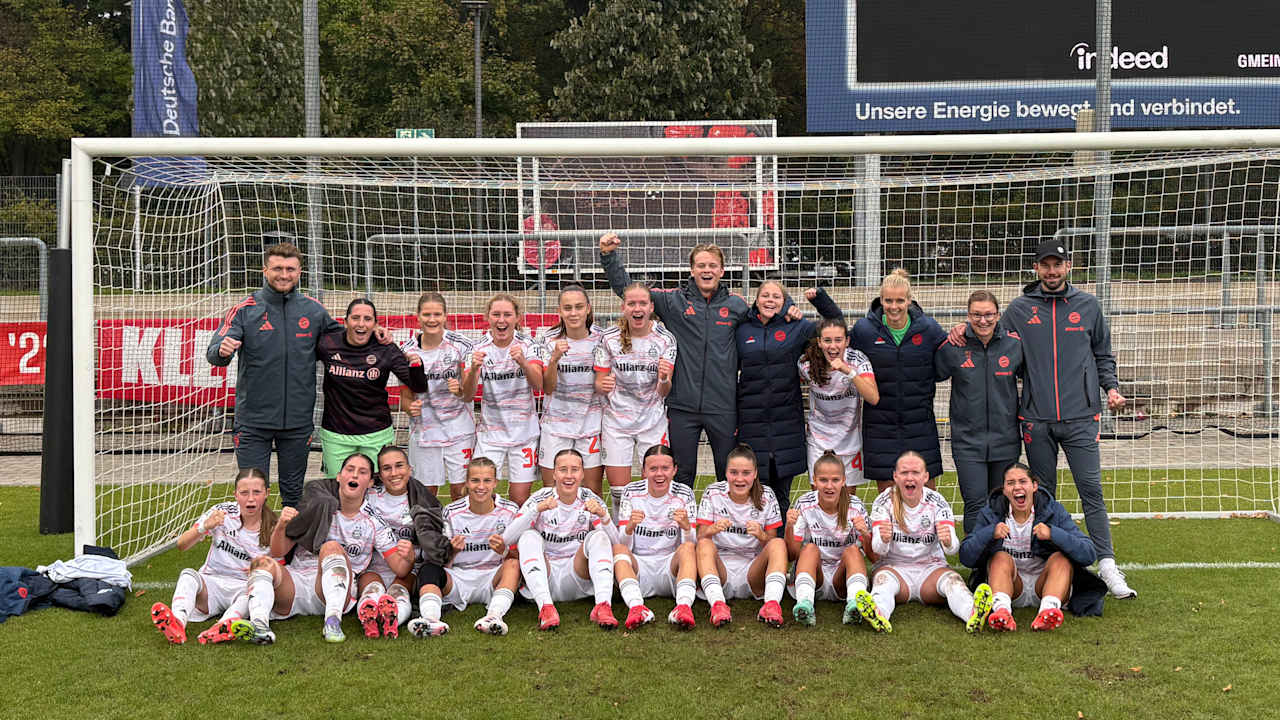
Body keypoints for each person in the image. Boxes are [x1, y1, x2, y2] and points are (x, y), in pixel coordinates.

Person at [951, 239, 1135, 598]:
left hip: (1082, 417)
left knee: (1091, 491)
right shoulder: (1019, 309)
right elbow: (989, 331)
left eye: (1058, 265)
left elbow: (1103, 355)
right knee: (1041, 498)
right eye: (1045, 265)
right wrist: (963, 328)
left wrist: (1110, 388)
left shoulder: (1089, 306)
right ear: (1036, 269)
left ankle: (1109, 566)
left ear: (1069, 267)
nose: (1052, 271)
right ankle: (1042, 570)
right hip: (1035, 421)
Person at [599, 232, 747, 487]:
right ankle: (683, 527)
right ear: (692, 270)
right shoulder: (673, 301)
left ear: (722, 270)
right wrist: (609, 256)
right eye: (701, 265)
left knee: (728, 475)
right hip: (682, 408)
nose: (707, 270)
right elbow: (631, 293)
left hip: (723, 406)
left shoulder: (737, 306)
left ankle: (725, 526)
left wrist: (788, 306)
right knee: (681, 476)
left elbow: (766, 317)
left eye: (712, 265)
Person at [206, 242, 341, 507]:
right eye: (277, 268)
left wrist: (377, 337)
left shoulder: (313, 310)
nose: (284, 274)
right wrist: (222, 351)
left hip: (298, 422)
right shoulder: (245, 309)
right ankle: (251, 548)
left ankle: (290, 549)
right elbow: (214, 353)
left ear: (299, 272)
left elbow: (347, 342)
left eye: (290, 269)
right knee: (253, 495)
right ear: (265, 270)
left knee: (293, 495)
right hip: (253, 422)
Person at [243, 453, 413, 644]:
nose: (355, 475)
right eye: (350, 470)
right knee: (261, 562)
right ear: (339, 477)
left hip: (331, 593)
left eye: (362, 472)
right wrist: (282, 525)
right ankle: (259, 625)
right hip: (295, 585)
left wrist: (409, 556)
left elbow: (400, 568)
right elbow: (277, 552)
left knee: (331, 547)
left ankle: (332, 621)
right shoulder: (317, 506)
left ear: (371, 482)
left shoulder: (374, 523)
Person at [736, 282, 845, 520]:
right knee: (755, 490)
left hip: (786, 419)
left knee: (781, 491)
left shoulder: (797, 327)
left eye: (776, 296)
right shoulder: (742, 329)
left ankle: (782, 546)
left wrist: (819, 299)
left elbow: (836, 324)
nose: (769, 300)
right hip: (751, 420)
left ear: (784, 301)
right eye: (765, 295)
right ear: (756, 299)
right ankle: (757, 545)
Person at [959, 462, 1107, 631]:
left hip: (1046, 585)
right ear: (1004, 490)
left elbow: (1088, 553)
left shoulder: (1052, 510)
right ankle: (1002, 612)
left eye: (1023, 481)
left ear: (1034, 486)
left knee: (1061, 559)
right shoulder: (991, 512)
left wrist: (1053, 534)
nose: (1017, 487)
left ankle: (1048, 611)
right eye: (1010, 483)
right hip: (1012, 585)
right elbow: (966, 556)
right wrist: (989, 533)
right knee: (1000, 557)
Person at [867, 451, 994, 633]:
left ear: (925, 476)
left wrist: (948, 541)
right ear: (895, 476)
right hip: (895, 568)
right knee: (883, 581)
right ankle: (878, 613)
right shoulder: (883, 501)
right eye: (904, 472)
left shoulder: (937, 501)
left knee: (953, 581)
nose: (910, 478)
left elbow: (952, 550)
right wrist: (884, 539)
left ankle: (973, 613)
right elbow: (877, 549)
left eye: (916, 472)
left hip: (930, 569)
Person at [149, 468, 277, 645]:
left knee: (250, 598)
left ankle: (223, 627)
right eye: (244, 493)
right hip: (211, 584)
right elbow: (182, 545)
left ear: (267, 494)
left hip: (243, 587)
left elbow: (277, 572)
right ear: (235, 495)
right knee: (188, 574)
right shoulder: (221, 512)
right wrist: (205, 527)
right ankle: (178, 622)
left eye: (257, 492)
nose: (250, 499)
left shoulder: (274, 527)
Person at [501, 449, 622, 631]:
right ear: (554, 473)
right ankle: (546, 608)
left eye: (575, 470)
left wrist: (603, 516)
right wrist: (536, 510)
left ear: (582, 474)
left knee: (599, 536)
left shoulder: (590, 499)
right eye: (563, 469)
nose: (569, 475)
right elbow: (507, 538)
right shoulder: (541, 497)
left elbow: (616, 543)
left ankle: (603, 606)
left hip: (578, 577)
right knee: (528, 536)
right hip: (544, 578)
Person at [935, 290, 1023, 533]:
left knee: (1000, 503)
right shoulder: (954, 345)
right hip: (968, 442)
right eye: (976, 315)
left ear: (998, 315)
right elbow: (930, 374)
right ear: (968, 316)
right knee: (974, 504)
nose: (983, 321)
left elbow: (1035, 379)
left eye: (988, 315)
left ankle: (999, 559)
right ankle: (977, 561)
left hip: (1006, 440)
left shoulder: (1014, 345)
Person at [851, 269, 947, 490]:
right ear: (880, 300)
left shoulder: (929, 328)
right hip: (880, 425)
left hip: (920, 424)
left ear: (909, 301)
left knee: (925, 499)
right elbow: (837, 345)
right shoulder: (864, 330)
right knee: (887, 503)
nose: (894, 306)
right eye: (888, 300)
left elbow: (948, 358)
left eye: (900, 301)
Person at [315, 298, 426, 477]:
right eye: (355, 318)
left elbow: (418, 386)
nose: (361, 324)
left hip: (376, 433)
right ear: (345, 322)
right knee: (337, 490)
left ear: (375, 324)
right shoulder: (327, 343)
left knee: (377, 491)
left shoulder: (386, 348)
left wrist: (415, 364)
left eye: (367, 319)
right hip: (336, 433)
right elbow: (299, 356)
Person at [593, 283, 677, 514]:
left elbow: (664, 391)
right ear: (624, 308)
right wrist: (603, 384)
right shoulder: (609, 338)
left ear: (651, 307)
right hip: (617, 422)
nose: (637, 308)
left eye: (642, 303)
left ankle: (653, 534)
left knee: (655, 485)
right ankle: (620, 538)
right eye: (632, 304)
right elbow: (599, 383)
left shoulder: (665, 339)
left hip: (652, 421)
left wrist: (663, 379)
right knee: (619, 491)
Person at [352, 445, 450, 640]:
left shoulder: (421, 500)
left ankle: (393, 618)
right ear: (379, 474)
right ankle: (369, 615)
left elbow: (434, 539)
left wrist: (414, 554)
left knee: (400, 588)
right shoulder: (368, 497)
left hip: (407, 567)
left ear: (410, 469)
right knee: (372, 588)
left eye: (399, 466)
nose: (394, 473)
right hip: (373, 565)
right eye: (387, 468)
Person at [784, 451, 887, 629]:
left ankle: (854, 604)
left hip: (843, 578)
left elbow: (874, 557)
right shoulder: (804, 503)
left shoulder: (855, 506)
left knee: (853, 550)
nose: (829, 486)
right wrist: (789, 527)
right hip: (815, 576)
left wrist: (865, 533)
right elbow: (793, 555)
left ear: (844, 481)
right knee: (809, 549)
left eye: (835, 480)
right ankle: (805, 604)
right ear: (814, 480)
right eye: (823, 480)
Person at [695, 444, 789, 628]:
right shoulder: (713, 492)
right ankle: (718, 605)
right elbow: (700, 537)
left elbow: (771, 544)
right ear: (726, 473)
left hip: (752, 571)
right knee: (705, 544)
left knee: (778, 543)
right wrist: (712, 529)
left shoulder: (767, 496)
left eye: (746, 473)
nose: (739, 479)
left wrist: (762, 535)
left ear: (755, 474)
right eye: (734, 472)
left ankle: (771, 605)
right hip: (719, 568)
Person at [425, 457, 522, 636]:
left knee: (513, 566)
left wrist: (504, 551)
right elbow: (444, 563)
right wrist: (452, 551)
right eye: (475, 480)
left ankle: (494, 616)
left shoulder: (510, 510)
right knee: (429, 569)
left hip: (494, 578)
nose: (481, 486)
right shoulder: (451, 512)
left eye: (487, 481)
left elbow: (518, 558)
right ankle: (430, 620)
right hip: (460, 578)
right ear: (467, 483)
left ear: (495, 483)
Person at [400, 291, 479, 500]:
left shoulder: (462, 345)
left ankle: (461, 531)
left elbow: (469, 391)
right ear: (418, 317)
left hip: (459, 429)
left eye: (437, 314)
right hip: (424, 431)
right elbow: (405, 398)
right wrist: (410, 407)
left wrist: (460, 390)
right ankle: (429, 531)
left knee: (460, 490)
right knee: (427, 493)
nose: (432, 320)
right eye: (426, 314)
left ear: (445, 316)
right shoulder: (406, 351)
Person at [613, 445, 699, 630]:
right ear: (644, 471)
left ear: (674, 470)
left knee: (688, 549)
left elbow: (691, 544)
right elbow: (624, 544)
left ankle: (683, 607)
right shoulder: (631, 491)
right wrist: (629, 528)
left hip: (670, 567)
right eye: (653, 469)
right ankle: (637, 607)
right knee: (619, 550)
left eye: (665, 468)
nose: (659, 474)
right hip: (640, 567)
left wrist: (685, 527)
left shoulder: (685, 493)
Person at [531, 285, 607, 495]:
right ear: (559, 311)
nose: (573, 313)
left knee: (592, 490)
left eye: (579, 307)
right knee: (551, 491)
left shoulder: (602, 339)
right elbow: (547, 387)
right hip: (555, 426)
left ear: (588, 309)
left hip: (591, 425)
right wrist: (555, 358)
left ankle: (593, 529)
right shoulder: (548, 340)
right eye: (568, 308)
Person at [473, 293, 542, 507]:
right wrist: (474, 369)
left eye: (507, 315)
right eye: (496, 314)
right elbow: (467, 395)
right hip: (490, 435)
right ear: (488, 317)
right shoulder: (478, 348)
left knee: (520, 498)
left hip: (524, 434)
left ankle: (515, 540)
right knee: (481, 493)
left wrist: (522, 361)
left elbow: (539, 384)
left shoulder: (529, 345)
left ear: (517, 318)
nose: (501, 320)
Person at [798, 318, 880, 493]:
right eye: (827, 340)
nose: (833, 346)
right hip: (818, 439)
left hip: (849, 440)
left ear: (847, 341)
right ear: (819, 342)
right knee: (822, 499)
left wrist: (848, 372)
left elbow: (873, 397)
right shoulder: (806, 363)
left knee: (846, 503)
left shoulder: (857, 360)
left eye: (838, 340)